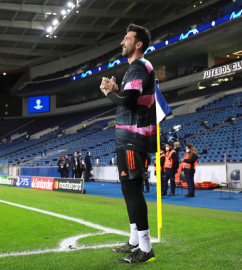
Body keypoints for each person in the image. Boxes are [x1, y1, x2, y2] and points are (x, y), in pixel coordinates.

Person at [99, 23, 156, 263]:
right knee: (126, 187)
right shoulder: (135, 69)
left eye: (126, 38)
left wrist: (109, 93)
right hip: (127, 137)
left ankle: (145, 248)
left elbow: (128, 99)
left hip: (133, 138)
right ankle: (134, 240)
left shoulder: (140, 66)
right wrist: (117, 90)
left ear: (138, 44)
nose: (122, 42)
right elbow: (128, 98)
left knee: (132, 188)